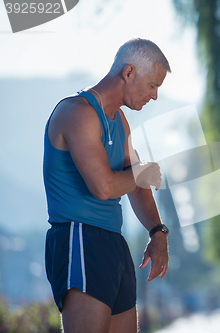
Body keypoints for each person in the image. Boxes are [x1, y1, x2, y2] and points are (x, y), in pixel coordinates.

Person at [43, 38, 172, 333]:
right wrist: (140, 173)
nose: (154, 96)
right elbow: (103, 186)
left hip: (114, 241)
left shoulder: (119, 121)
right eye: (152, 86)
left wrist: (157, 231)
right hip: (79, 237)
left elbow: (136, 182)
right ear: (128, 72)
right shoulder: (78, 113)